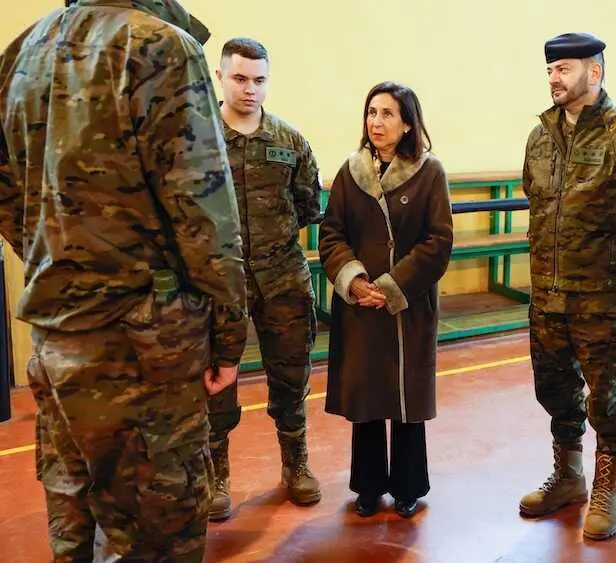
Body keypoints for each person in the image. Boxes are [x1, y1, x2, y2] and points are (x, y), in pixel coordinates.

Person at [0, 0, 248, 560]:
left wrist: (59, 260)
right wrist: (228, 332)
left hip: (55, 332)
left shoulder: (23, 50)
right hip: (143, 342)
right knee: (157, 528)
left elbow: (7, 191)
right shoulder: (160, 46)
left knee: (72, 507)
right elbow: (204, 211)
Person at [517, 31, 616, 541]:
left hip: (602, 297)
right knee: (554, 389)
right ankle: (569, 475)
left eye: (565, 69)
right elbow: (537, 201)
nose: (555, 78)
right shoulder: (538, 135)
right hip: (547, 293)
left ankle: (606, 487)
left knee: (606, 397)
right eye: (551, 70)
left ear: (594, 73)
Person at [318, 81, 452, 519]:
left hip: (407, 305)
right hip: (361, 308)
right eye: (372, 112)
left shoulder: (430, 172)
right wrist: (354, 282)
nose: (377, 122)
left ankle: (409, 485)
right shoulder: (350, 172)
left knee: (407, 398)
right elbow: (332, 234)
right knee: (369, 396)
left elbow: (437, 241)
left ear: (408, 122)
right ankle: (369, 485)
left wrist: (392, 287)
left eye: (388, 113)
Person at [207, 37, 324, 521]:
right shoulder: (197, 139)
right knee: (214, 381)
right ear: (220, 77)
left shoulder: (289, 141)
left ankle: (295, 463)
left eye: (259, 80)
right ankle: (215, 475)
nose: (250, 89)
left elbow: (307, 206)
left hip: (282, 278)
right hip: (218, 284)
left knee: (291, 373)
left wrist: (272, 246)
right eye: (239, 78)